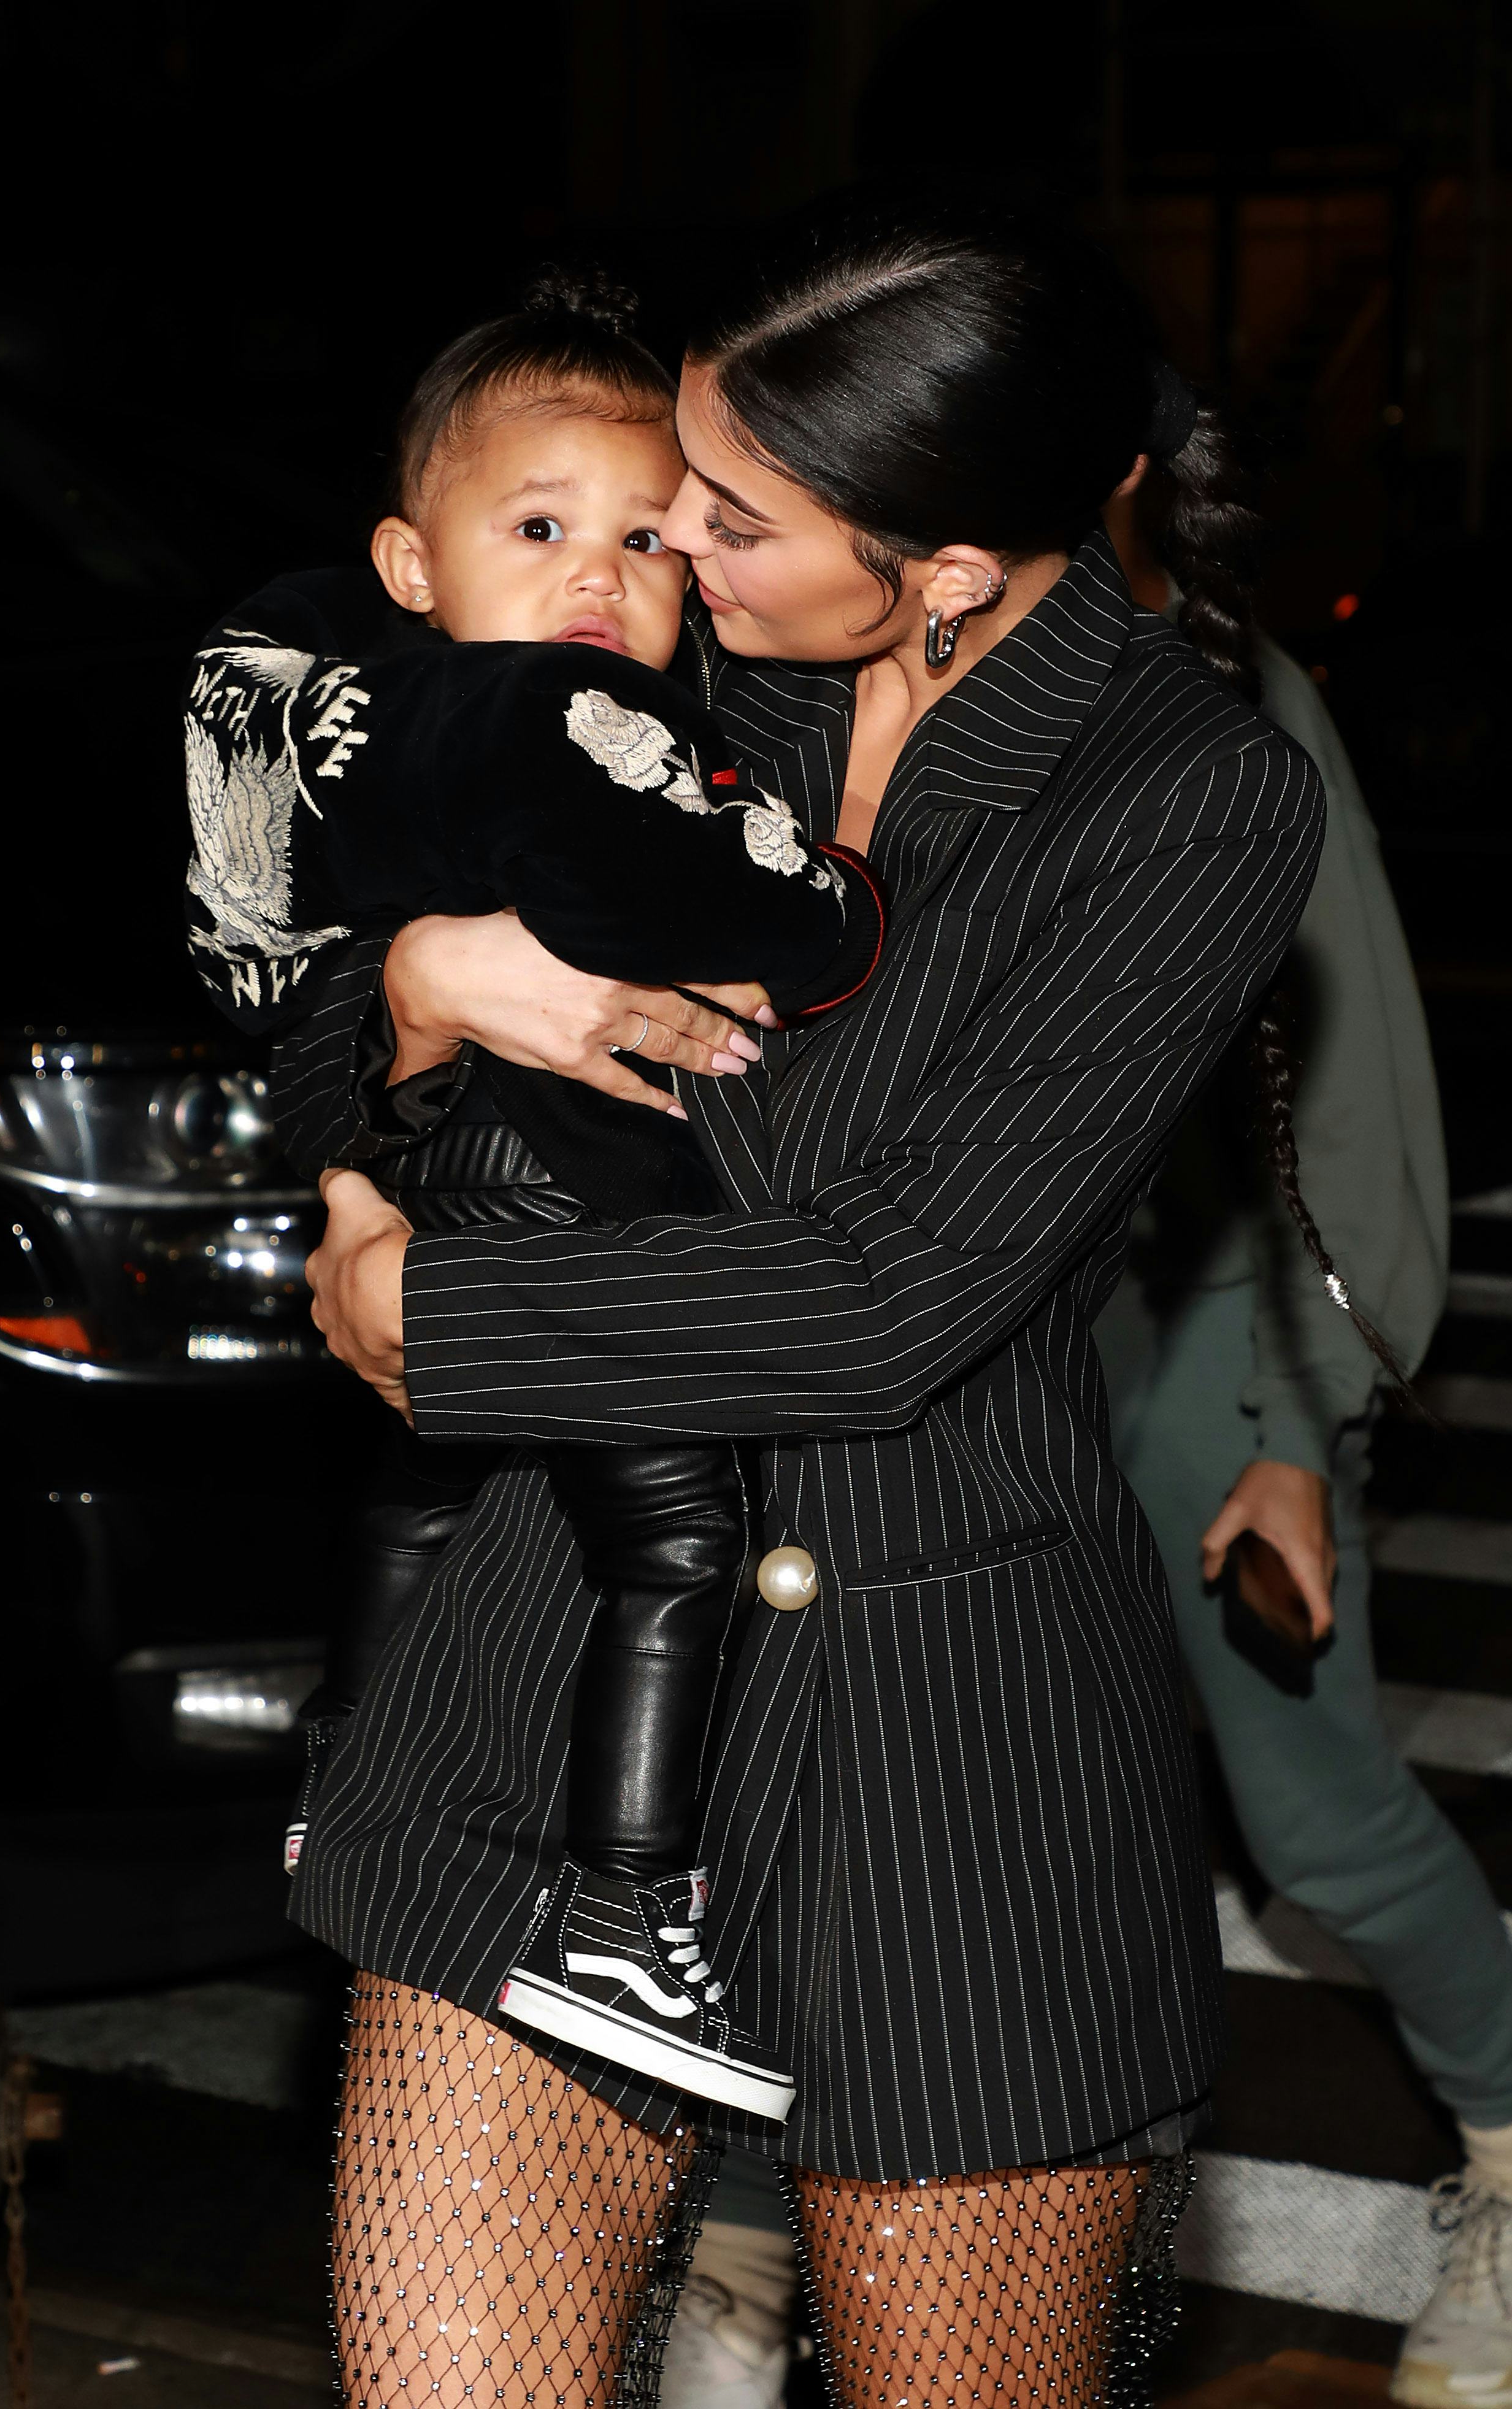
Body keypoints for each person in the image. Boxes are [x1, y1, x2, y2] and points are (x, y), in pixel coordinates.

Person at [260, 195, 1332, 2407]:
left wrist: (429, 1332)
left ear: (940, 566)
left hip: (956, 1749)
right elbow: (302, 922)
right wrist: (412, 996)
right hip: (559, 1667)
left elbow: (894, 1296)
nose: (664, 543)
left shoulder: (1187, 798)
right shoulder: (645, 662)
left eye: (730, 516)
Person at [185, 277, 886, 2121]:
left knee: (420, 1493)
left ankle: (348, 1785)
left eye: (647, 538)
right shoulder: (539, 729)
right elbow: (776, 927)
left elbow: (285, 965)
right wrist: (816, 913)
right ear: (409, 563)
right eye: (542, 527)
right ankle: (627, 1908)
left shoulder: (350, 711)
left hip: (452, 1198)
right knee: (677, 1542)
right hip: (560, 1209)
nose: (600, 574)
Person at [1099, 474, 1512, 2409]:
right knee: (885, 1803)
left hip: (1211, 1329)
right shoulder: (862, 669)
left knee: (1313, 1822)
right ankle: (766, 2245)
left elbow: (1341, 1073)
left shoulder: (1221, 689)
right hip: (985, 1337)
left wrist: (1299, 1419)